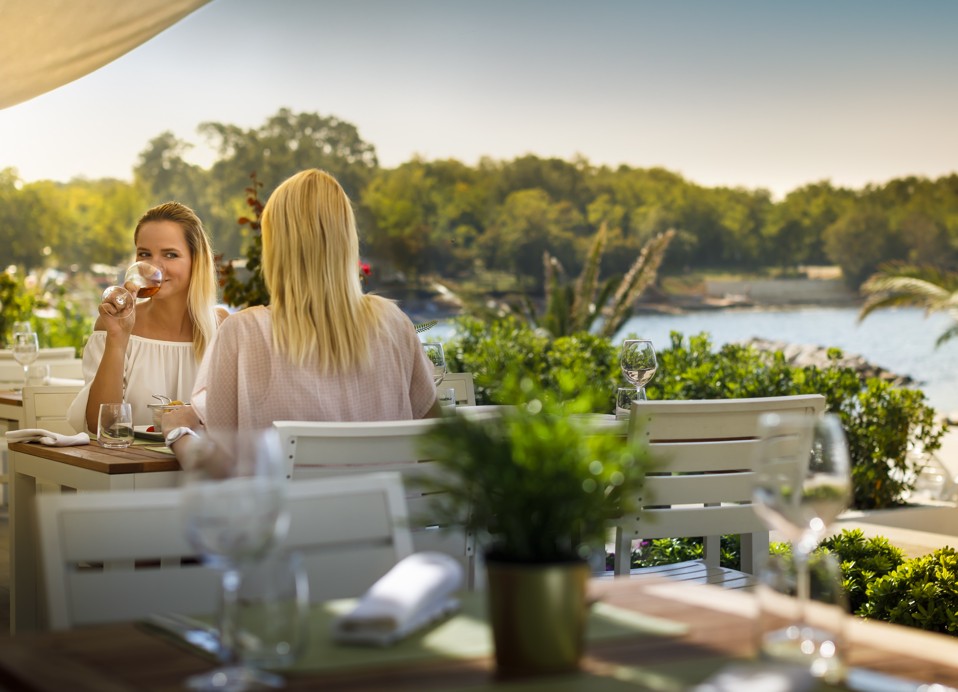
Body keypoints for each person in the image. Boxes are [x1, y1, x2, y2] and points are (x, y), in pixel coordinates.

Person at [163, 169, 439, 462]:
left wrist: (177, 433)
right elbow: (434, 429)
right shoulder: (393, 324)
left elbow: (218, 466)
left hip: (286, 509)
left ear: (276, 249)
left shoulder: (243, 333)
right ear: (347, 242)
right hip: (386, 506)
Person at [67, 202, 226, 433]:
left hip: (204, 465)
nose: (154, 267)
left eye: (170, 255)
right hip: (132, 465)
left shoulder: (221, 327)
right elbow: (101, 426)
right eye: (144, 254)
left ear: (195, 260)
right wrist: (117, 340)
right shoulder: (116, 325)